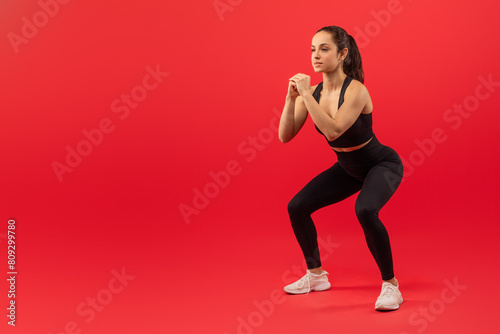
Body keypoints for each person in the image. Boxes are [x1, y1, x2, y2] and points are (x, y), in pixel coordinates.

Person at [278, 25, 404, 311]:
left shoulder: (357, 91)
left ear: (343, 53)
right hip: (348, 167)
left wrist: (307, 95)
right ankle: (316, 275)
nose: (316, 55)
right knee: (297, 206)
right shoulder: (316, 92)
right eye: (312, 49)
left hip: (380, 164)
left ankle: (391, 286)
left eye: (324, 49)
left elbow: (333, 131)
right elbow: (285, 136)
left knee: (365, 210)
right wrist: (291, 98)